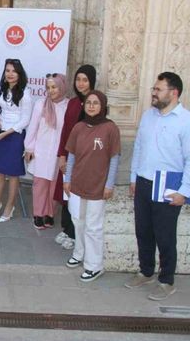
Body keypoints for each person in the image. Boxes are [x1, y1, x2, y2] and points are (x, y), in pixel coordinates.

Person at [125, 72, 190, 301]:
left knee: (165, 235)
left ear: (174, 92)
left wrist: (184, 192)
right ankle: (146, 271)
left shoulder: (188, 122)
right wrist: (133, 178)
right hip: (144, 181)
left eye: (158, 89)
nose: (153, 93)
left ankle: (166, 280)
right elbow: (139, 147)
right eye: (154, 89)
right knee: (143, 230)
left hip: (169, 186)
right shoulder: (149, 116)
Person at [63, 90, 120, 283]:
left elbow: (114, 158)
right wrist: (67, 180)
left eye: (96, 103)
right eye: (89, 103)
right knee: (78, 221)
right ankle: (79, 254)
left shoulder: (110, 128)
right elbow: (71, 155)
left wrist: (109, 184)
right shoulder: (78, 127)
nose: (92, 106)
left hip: (98, 187)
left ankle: (94, 266)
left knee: (93, 227)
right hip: (77, 184)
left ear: (103, 106)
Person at [55, 65, 96, 249]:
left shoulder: (94, 102)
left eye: (85, 80)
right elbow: (65, 131)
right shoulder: (72, 103)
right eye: (78, 79)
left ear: (92, 82)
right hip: (69, 154)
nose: (81, 83)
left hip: (84, 158)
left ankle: (74, 234)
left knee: (77, 196)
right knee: (66, 192)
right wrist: (61, 155)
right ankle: (66, 228)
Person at [0, 58, 32, 222]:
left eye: (14, 71)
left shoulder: (25, 94)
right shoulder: (3, 89)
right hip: (1, 134)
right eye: (7, 70)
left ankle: (9, 206)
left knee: (13, 174)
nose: (10, 74)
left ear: (19, 74)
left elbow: (25, 120)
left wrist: (7, 133)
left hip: (14, 136)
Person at [24, 74, 69, 229]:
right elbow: (33, 127)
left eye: (54, 87)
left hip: (58, 153)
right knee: (40, 185)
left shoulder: (68, 106)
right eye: (48, 87)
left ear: (62, 87)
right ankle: (38, 214)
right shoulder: (41, 104)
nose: (51, 91)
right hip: (41, 151)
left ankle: (50, 214)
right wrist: (29, 147)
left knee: (54, 185)